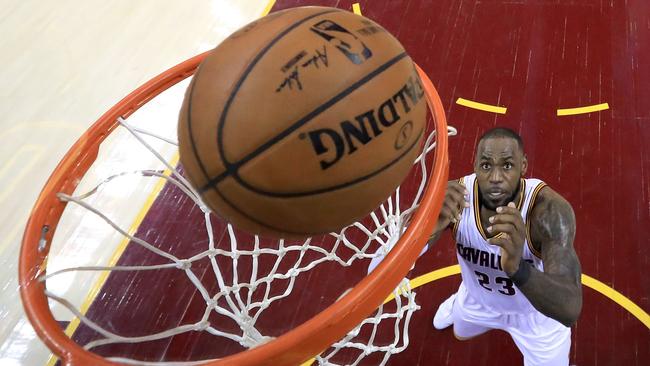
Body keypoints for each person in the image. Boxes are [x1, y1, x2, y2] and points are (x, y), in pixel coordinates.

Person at [428, 127, 582, 365]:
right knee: (460, 332)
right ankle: (458, 303)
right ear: (475, 165)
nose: (496, 177)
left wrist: (517, 268)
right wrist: (427, 229)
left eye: (507, 165)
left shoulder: (548, 211)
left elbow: (570, 308)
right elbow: (383, 268)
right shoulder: (455, 199)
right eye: (487, 165)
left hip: (535, 316)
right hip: (478, 300)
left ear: (524, 166)